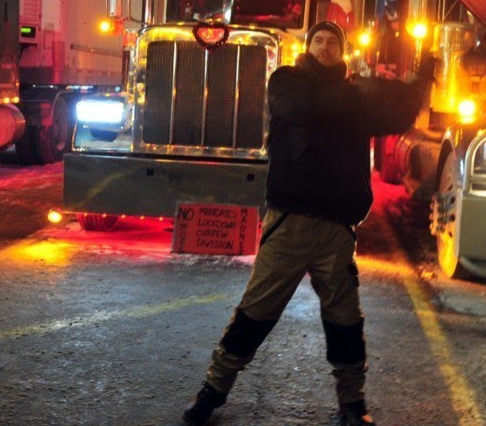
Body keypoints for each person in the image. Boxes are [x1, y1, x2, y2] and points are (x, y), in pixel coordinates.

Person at [182, 21, 432, 426]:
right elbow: (304, 107)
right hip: (290, 225)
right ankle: (211, 393)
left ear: (343, 50)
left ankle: (352, 405)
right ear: (308, 46)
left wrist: (422, 78)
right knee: (255, 314)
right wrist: (362, 93)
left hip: (335, 230)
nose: (326, 46)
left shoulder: (352, 96)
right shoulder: (287, 81)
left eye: (334, 41)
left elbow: (398, 115)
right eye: (319, 40)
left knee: (345, 320)